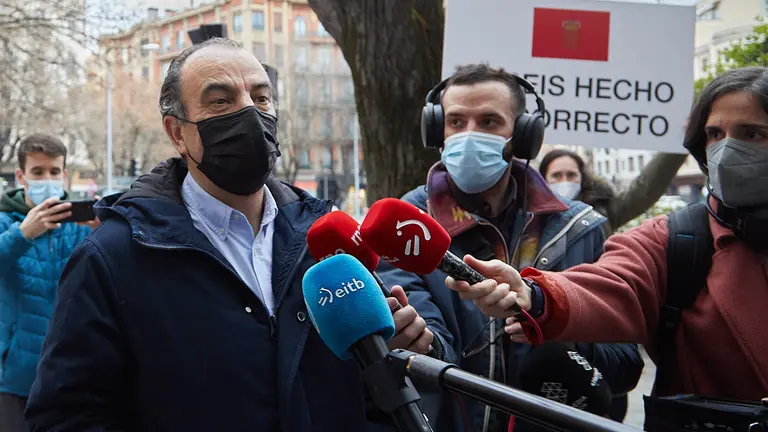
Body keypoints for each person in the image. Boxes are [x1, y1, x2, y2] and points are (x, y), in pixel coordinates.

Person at [25, 38, 433, 431]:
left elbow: (376, 397)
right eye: (221, 101)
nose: (250, 113)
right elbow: (66, 415)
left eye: (261, 98)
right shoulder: (114, 257)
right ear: (177, 133)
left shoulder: (327, 241)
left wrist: (405, 348)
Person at [447, 66, 768, 406]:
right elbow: (610, 283)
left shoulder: (585, 222)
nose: (727, 150)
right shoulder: (674, 239)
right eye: (715, 134)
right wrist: (537, 296)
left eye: (751, 134)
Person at [378, 63, 643, 432]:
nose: (469, 135)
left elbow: (625, 366)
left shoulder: (580, 229)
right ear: (437, 130)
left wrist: (554, 325)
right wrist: (421, 345)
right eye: (456, 122)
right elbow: (430, 352)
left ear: (522, 136)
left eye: (489, 122)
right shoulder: (405, 227)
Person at [0, 133, 98, 432]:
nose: (48, 179)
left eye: (54, 171)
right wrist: (22, 234)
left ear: (64, 175)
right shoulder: (5, 222)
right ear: (21, 176)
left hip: (69, 373)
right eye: (38, 171)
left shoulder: (80, 225)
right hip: (13, 378)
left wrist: (106, 231)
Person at [539, 149, 687, 236]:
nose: (564, 181)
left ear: (581, 177)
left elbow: (644, 190)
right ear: (543, 179)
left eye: (571, 175)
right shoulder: (531, 214)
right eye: (556, 175)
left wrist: (678, 145)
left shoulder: (603, 209)